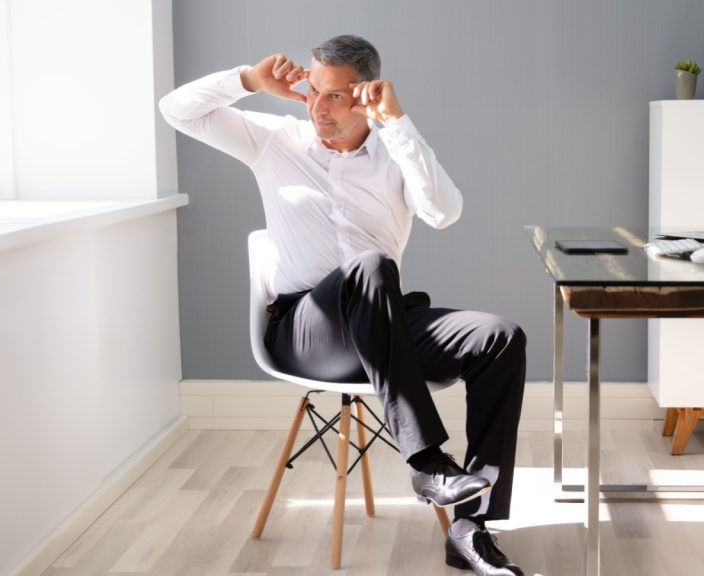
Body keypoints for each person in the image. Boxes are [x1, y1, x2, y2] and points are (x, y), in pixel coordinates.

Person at [160, 35, 526, 576]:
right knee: (371, 266)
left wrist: (398, 124)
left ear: (365, 96)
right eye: (313, 91)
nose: (316, 107)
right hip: (307, 330)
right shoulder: (273, 140)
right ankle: (427, 462)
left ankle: (471, 529)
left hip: (383, 324)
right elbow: (175, 111)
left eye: (334, 97)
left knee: (500, 336)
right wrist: (249, 81)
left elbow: (444, 212)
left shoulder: (393, 152)